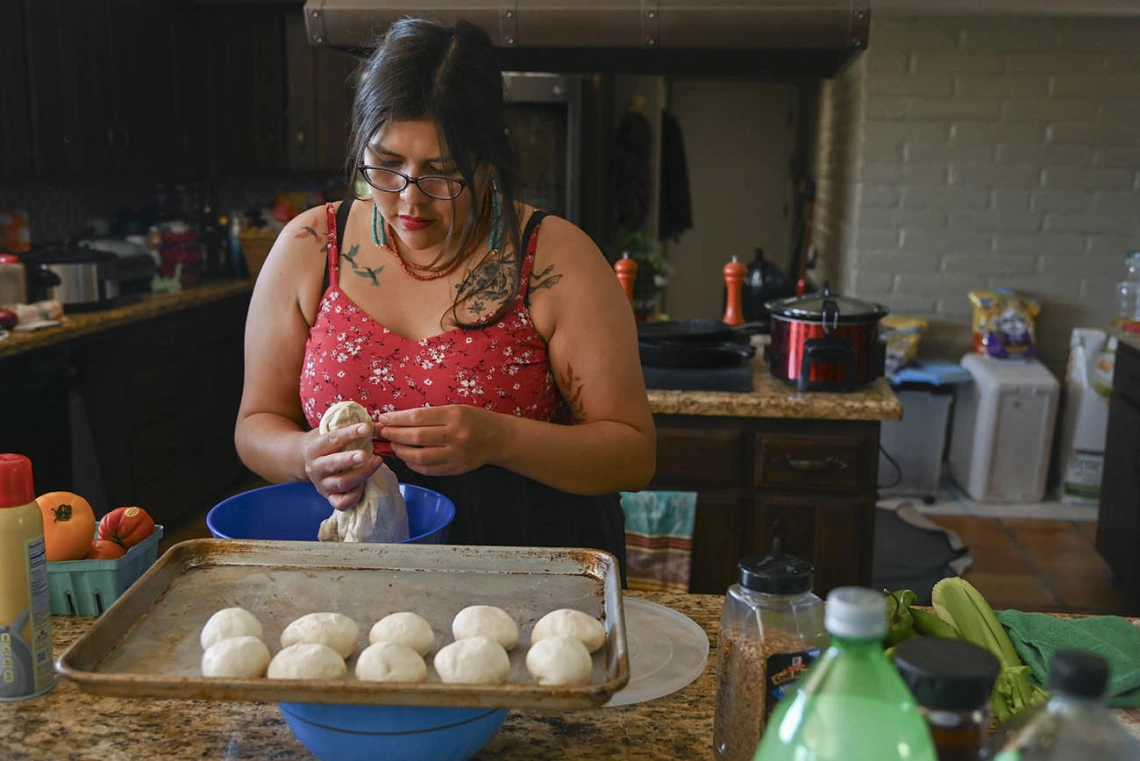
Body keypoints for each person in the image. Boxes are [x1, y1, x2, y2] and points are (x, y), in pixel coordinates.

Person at [233, 17, 655, 581]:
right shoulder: (312, 247)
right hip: (355, 572)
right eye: (386, 165)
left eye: (442, 173)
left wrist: (499, 438)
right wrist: (303, 457)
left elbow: (632, 454)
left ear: (490, 160)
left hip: (530, 569)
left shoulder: (556, 259)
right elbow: (256, 421)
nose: (410, 200)